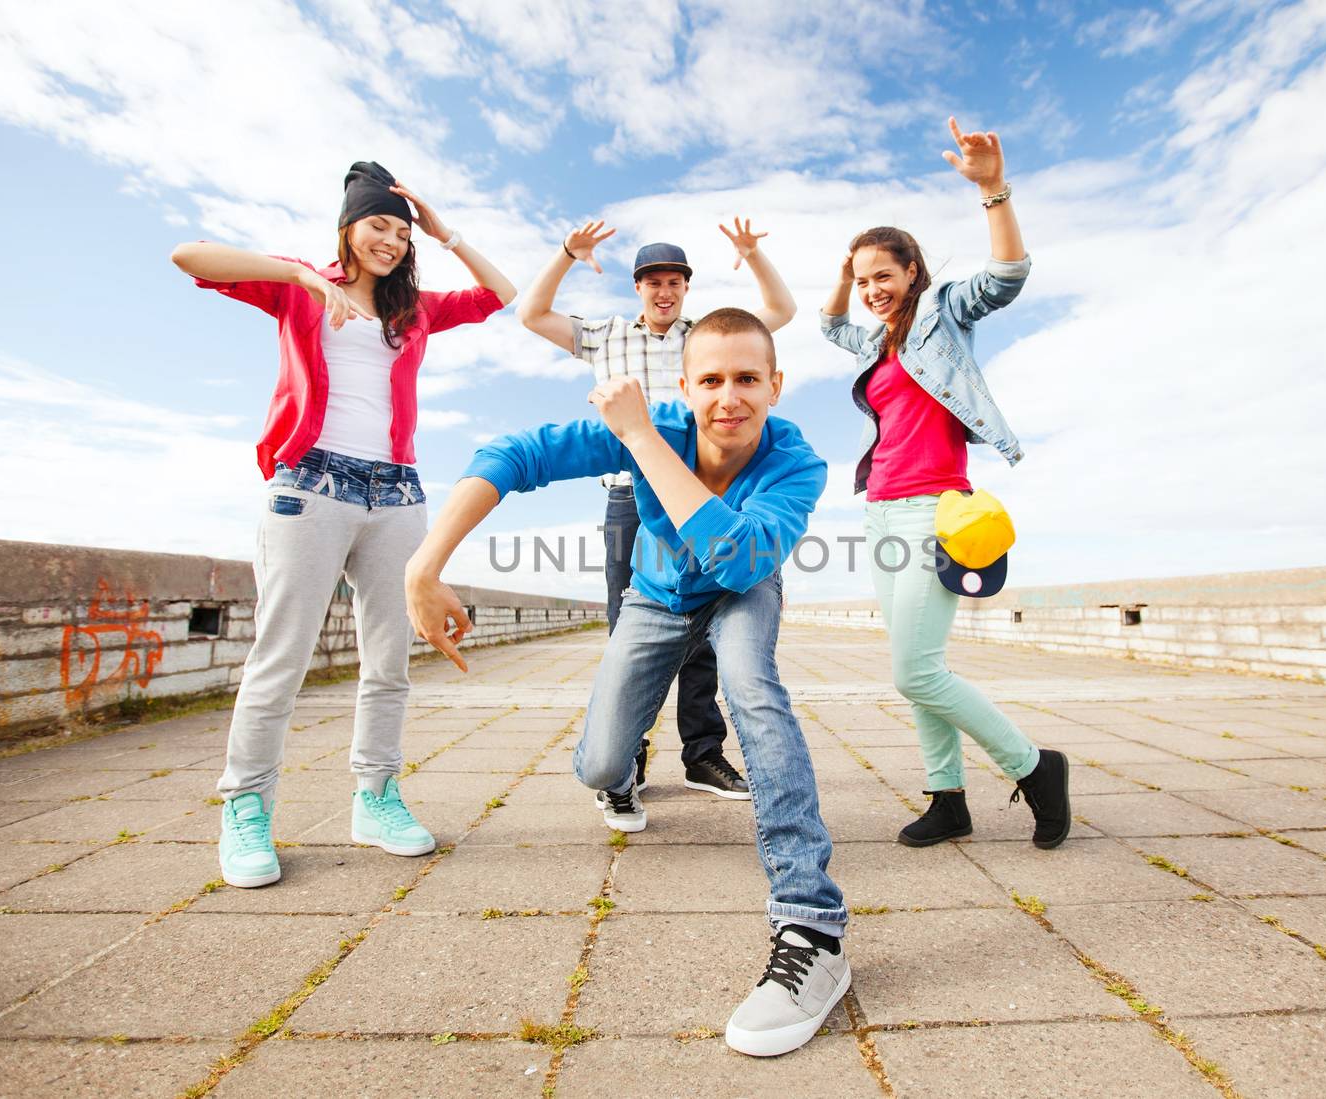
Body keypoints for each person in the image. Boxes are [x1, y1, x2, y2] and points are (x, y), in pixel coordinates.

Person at [404, 308, 849, 1058]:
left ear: (777, 384)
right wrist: (425, 564)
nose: (729, 398)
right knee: (604, 762)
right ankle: (619, 779)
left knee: (750, 683)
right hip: (654, 593)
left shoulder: (796, 463)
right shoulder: (667, 422)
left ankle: (812, 924)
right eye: (710, 380)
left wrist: (640, 437)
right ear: (685, 384)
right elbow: (515, 453)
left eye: (748, 379)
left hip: (740, 585)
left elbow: (738, 560)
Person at [170, 161, 516, 888]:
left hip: (396, 495)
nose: (390, 241)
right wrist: (301, 279)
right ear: (348, 228)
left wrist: (443, 228)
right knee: (281, 658)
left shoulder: (412, 309)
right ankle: (246, 807)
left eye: (400, 230)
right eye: (377, 225)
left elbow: (499, 295)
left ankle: (376, 796)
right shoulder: (300, 284)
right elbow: (189, 257)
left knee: (389, 661)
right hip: (308, 485)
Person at [820, 118, 1071, 849]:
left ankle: (1034, 766)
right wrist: (844, 273)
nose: (872, 290)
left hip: (938, 511)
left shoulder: (939, 313)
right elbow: (831, 326)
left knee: (915, 670)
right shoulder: (875, 338)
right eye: (864, 279)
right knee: (918, 666)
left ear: (912, 273)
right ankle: (947, 796)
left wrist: (993, 190)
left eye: (883, 276)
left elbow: (1007, 277)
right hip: (882, 513)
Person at [512, 218, 799, 801]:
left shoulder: (706, 337)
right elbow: (531, 314)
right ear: (638, 288)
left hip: (706, 493)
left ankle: (703, 754)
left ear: (686, 288)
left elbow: (780, 312)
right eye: (652, 283)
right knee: (634, 622)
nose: (664, 292)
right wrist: (568, 253)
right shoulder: (607, 336)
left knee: (708, 628)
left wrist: (752, 255)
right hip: (630, 491)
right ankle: (625, 759)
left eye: (674, 282)